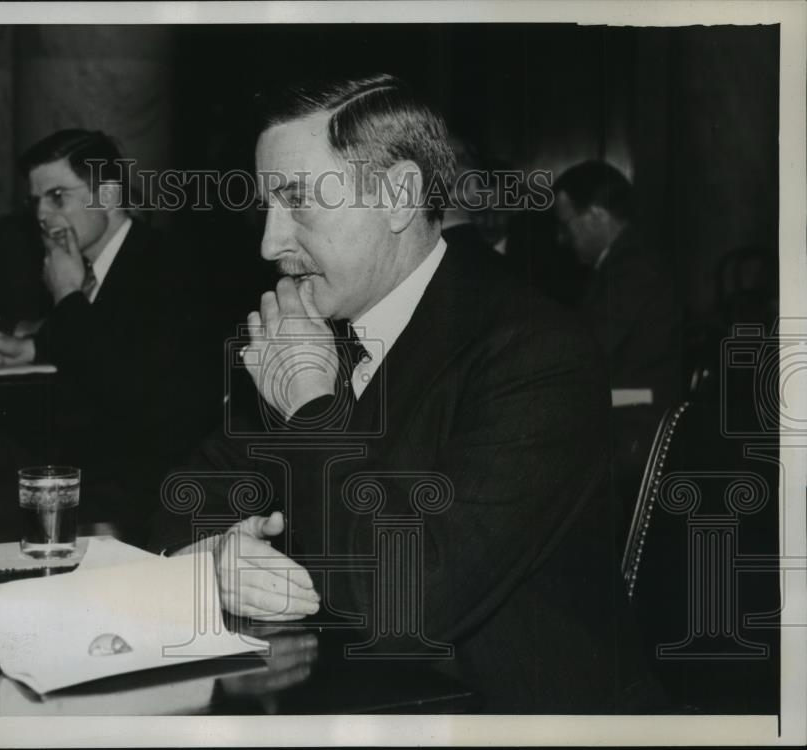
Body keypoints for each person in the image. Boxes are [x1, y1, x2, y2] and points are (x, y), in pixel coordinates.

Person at [149, 75, 656, 712]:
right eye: (266, 207)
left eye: (297, 201)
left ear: (398, 196)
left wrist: (310, 407)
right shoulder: (317, 330)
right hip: (356, 696)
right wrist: (213, 562)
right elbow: (182, 503)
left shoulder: (535, 352)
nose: (269, 243)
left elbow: (410, 606)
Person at [0, 129, 218, 530]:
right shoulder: (90, 264)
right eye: (35, 201)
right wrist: (30, 348)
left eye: (57, 196)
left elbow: (124, 388)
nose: (42, 214)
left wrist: (67, 295)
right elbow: (101, 340)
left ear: (109, 197)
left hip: (146, 481)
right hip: (93, 462)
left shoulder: (166, 264)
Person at [553, 161, 683, 538]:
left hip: (636, 427)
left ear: (596, 216)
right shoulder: (627, 261)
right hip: (628, 412)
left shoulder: (632, 269)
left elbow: (586, 351)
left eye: (566, 225)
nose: (562, 239)